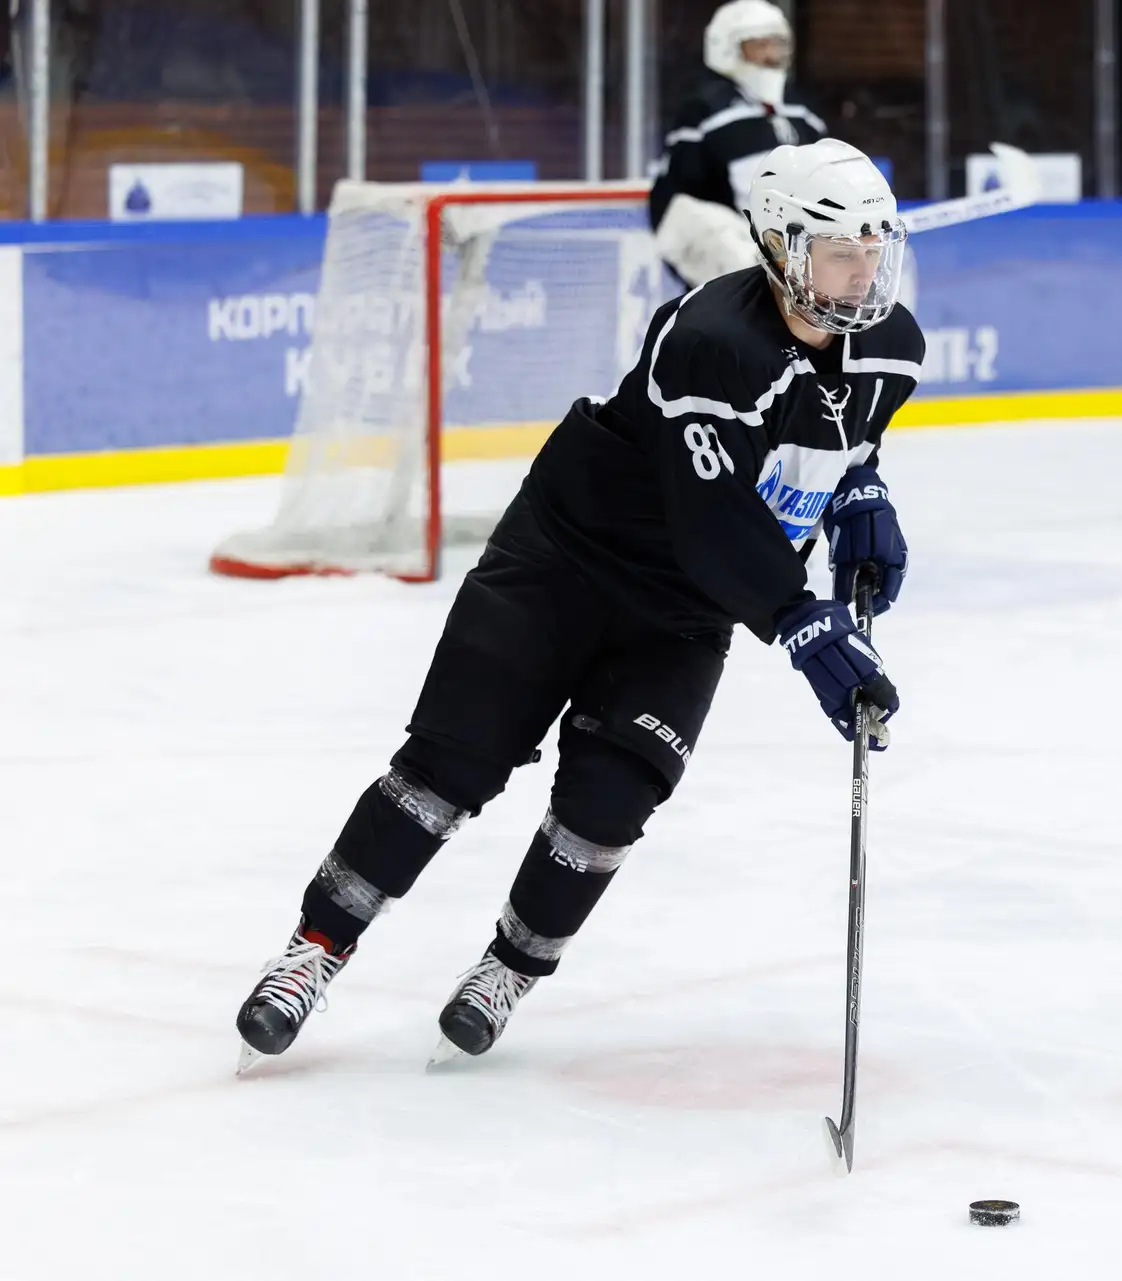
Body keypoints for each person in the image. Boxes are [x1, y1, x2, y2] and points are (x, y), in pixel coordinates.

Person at [235, 139, 922, 1070]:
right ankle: (314, 949)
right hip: (565, 562)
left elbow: (839, 435)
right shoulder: (710, 341)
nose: (865, 273)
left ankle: (507, 970)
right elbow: (715, 522)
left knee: (609, 804)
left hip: (683, 612)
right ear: (780, 248)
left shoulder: (892, 345)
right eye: (842, 253)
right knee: (447, 769)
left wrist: (860, 493)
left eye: (875, 249)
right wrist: (803, 623)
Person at [649, 0, 828, 287]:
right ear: (727, 48)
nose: (771, 56)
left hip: (801, 270)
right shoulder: (703, 111)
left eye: (778, 45)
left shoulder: (801, 111)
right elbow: (677, 209)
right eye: (760, 45)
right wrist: (727, 261)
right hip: (735, 277)